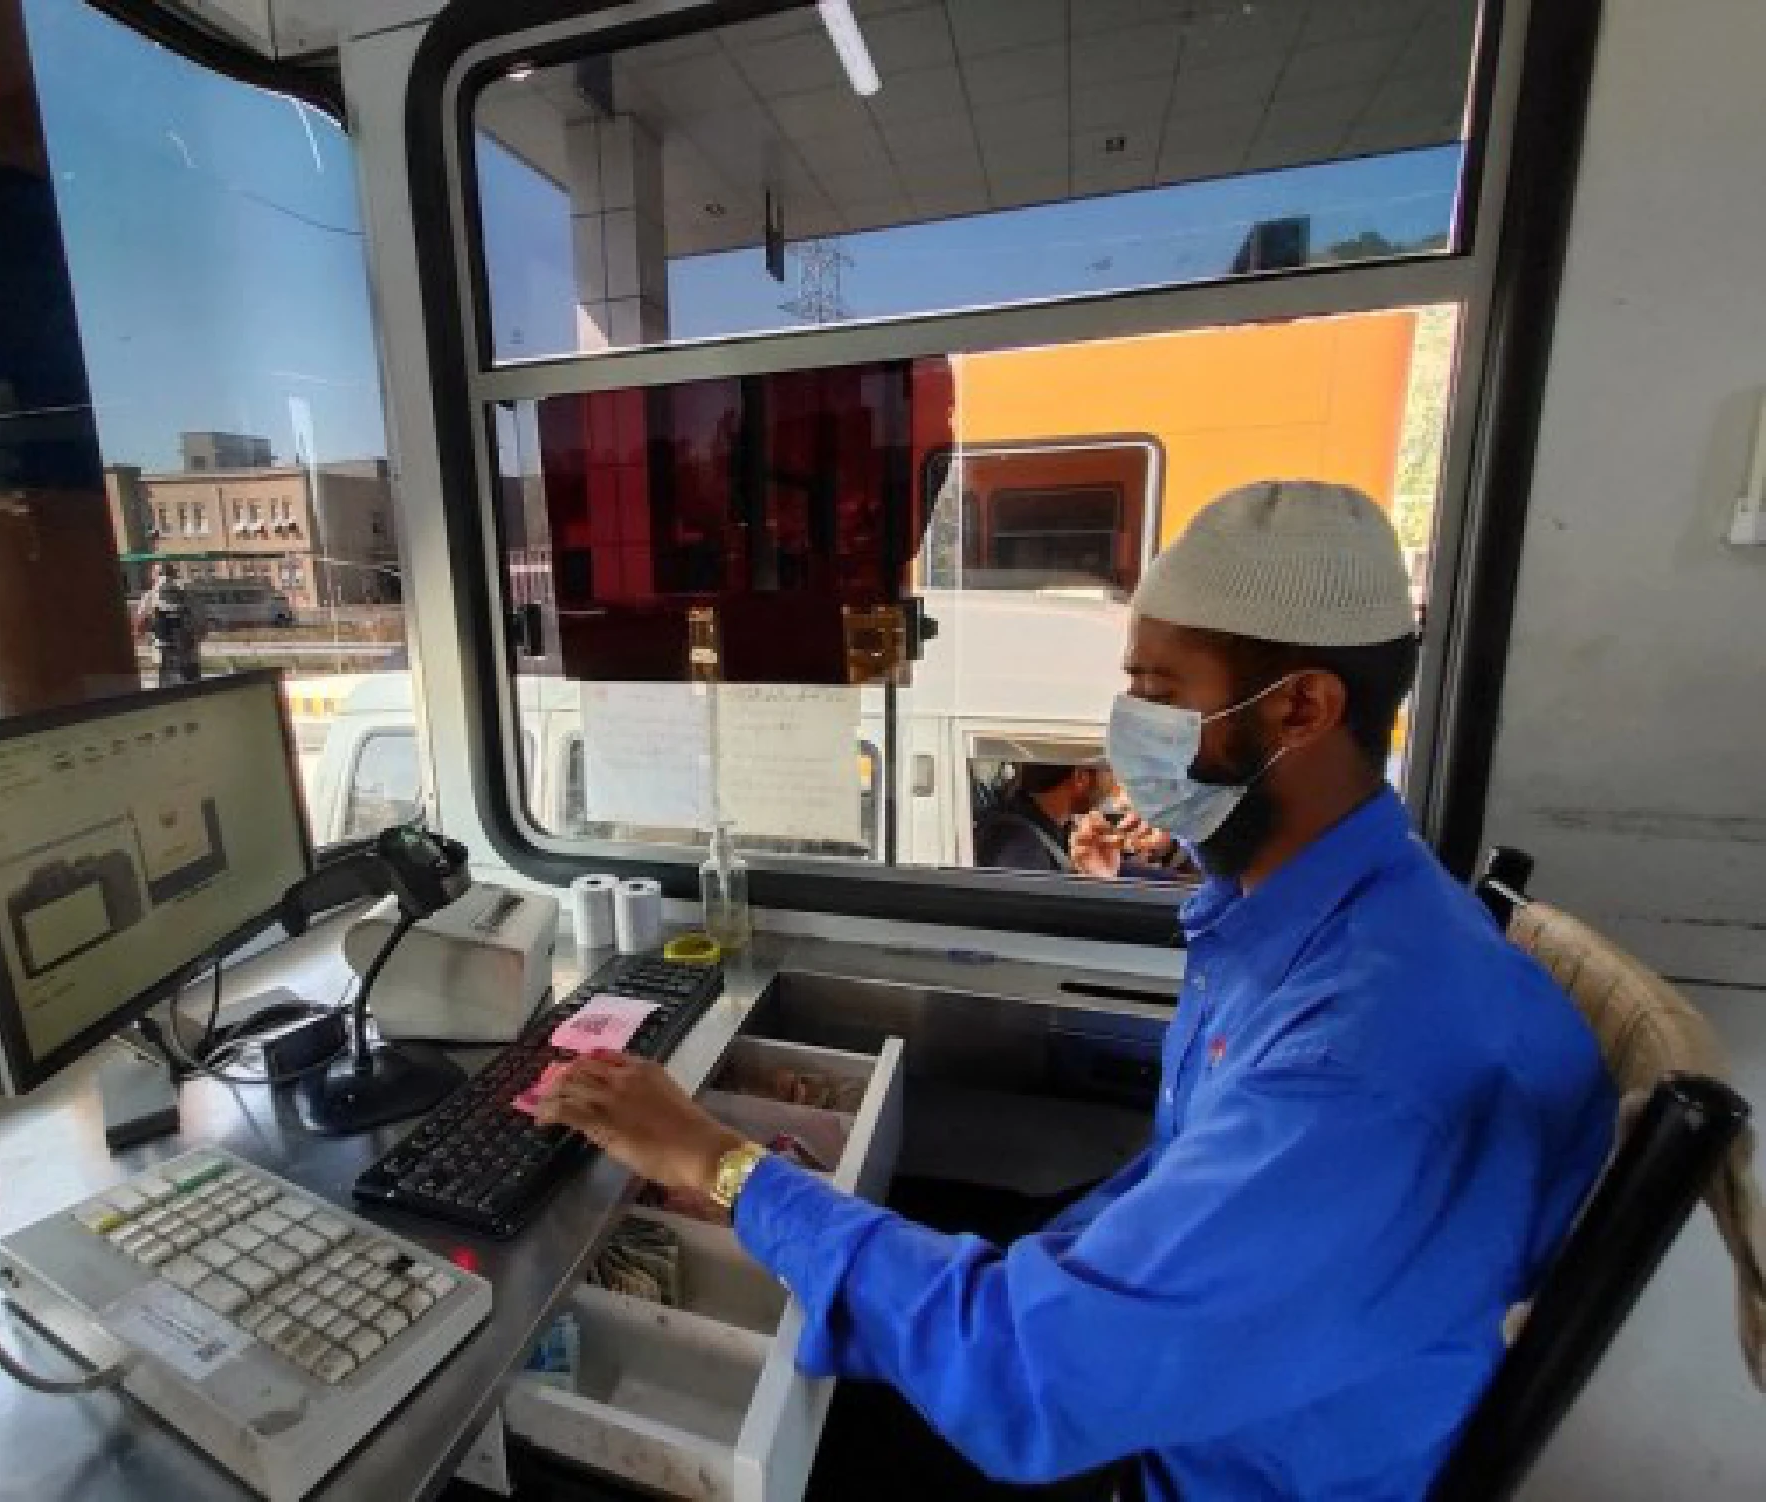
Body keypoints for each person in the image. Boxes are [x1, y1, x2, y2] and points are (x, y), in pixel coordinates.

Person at [538, 481, 1617, 1501]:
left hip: (1177, 1459)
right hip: (1174, 1380)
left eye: (1155, 691)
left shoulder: (1363, 1065)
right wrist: (822, 1223)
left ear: (1299, 706)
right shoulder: (1324, 919)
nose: (1122, 726)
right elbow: (1153, 1224)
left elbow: (1028, 1384)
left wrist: (716, 1164)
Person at [975, 763, 1193, 882]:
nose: (1116, 782)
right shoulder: (1019, 846)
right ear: (1080, 778)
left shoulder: (1057, 829)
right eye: (1109, 770)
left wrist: (1167, 850)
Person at [135, 563, 207, 686]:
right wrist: (194, 642)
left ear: (154, 576)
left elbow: (139, 625)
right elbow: (202, 623)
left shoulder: (150, 596)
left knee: (168, 691)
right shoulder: (188, 593)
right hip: (188, 654)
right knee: (192, 690)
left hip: (164, 654)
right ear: (174, 574)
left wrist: (146, 635)